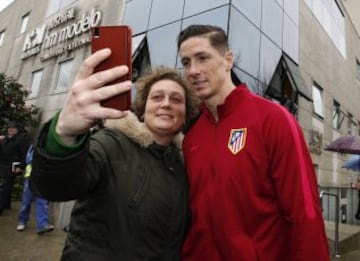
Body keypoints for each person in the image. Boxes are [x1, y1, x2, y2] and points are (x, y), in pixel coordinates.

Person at [176, 24, 330, 260]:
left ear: (228, 60)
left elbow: (304, 213)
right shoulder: (193, 138)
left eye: (202, 58)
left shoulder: (273, 119)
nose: (193, 70)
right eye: (186, 63)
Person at [30, 49, 198, 260]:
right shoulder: (111, 143)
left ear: (186, 114)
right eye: (157, 97)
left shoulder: (186, 166)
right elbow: (55, 186)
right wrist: (64, 133)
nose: (166, 103)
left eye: (176, 99)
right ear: (143, 108)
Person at [16, 144, 54, 234]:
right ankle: (22, 221)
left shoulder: (48, 147)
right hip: (30, 178)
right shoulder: (33, 147)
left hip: (42, 178)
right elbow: (29, 160)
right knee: (26, 202)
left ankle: (42, 225)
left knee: (42, 201)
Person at [0, 121, 29, 215]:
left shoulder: (21, 139)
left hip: (13, 166)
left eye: (13, 128)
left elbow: (25, 154)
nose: (11, 129)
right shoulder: (4, 138)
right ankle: (6, 204)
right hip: (3, 165)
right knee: (7, 186)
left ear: (17, 129)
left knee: (6, 186)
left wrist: (21, 167)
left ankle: (0, 207)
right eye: (9, 128)